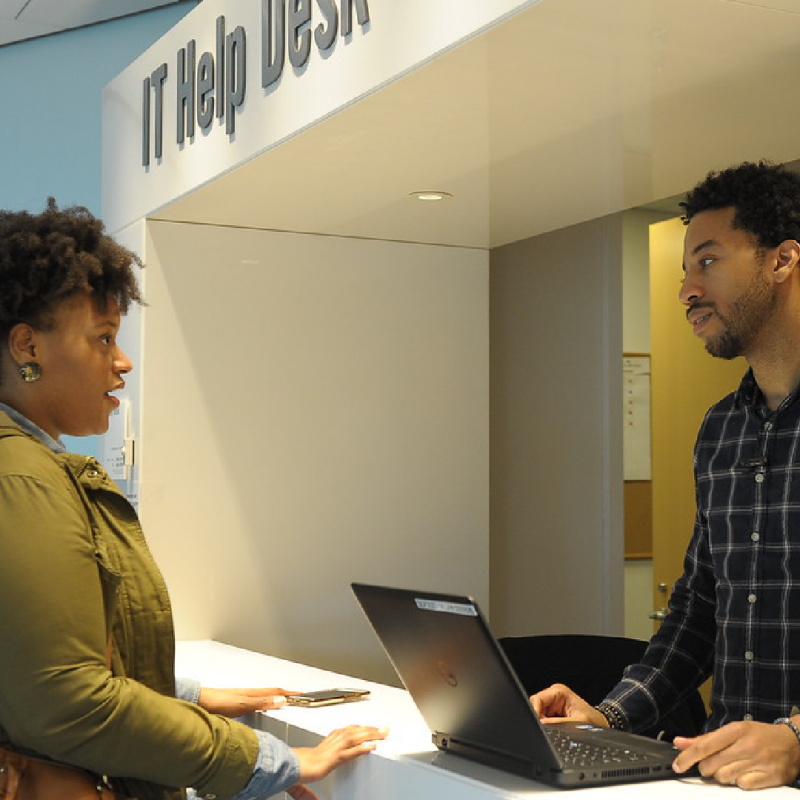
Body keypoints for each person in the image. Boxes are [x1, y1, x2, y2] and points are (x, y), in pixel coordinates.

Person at [0, 199, 387, 800]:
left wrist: (180, 695)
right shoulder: (23, 478)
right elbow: (66, 702)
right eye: (103, 338)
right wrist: (270, 760)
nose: (122, 362)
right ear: (28, 347)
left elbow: (27, 665)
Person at [532, 160, 800, 790]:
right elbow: (699, 609)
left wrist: (795, 740)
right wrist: (606, 715)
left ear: (782, 260)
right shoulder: (721, 430)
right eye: (686, 269)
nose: (686, 289)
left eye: (707, 261)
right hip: (719, 780)